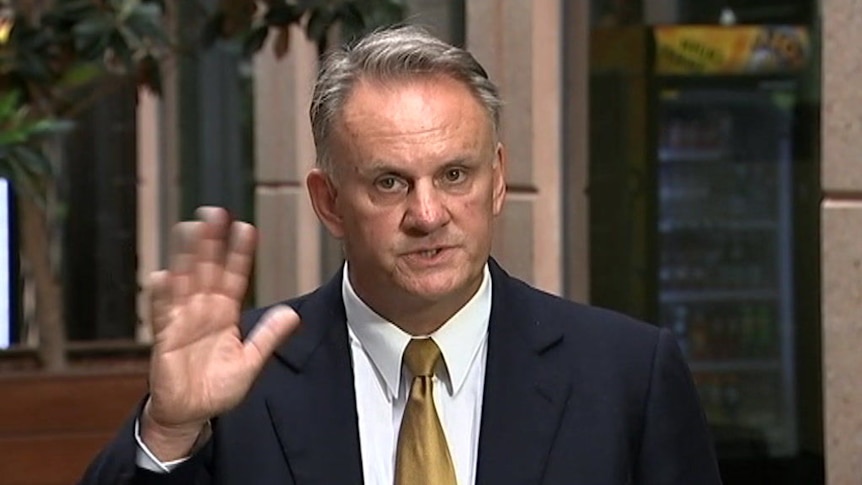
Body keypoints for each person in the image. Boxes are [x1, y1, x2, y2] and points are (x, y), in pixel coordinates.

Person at [78, 25, 721, 485]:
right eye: (389, 183)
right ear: (328, 202)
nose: (428, 214)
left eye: (454, 175)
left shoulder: (628, 374)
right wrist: (167, 435)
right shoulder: (240, 382)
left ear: (497, 179)